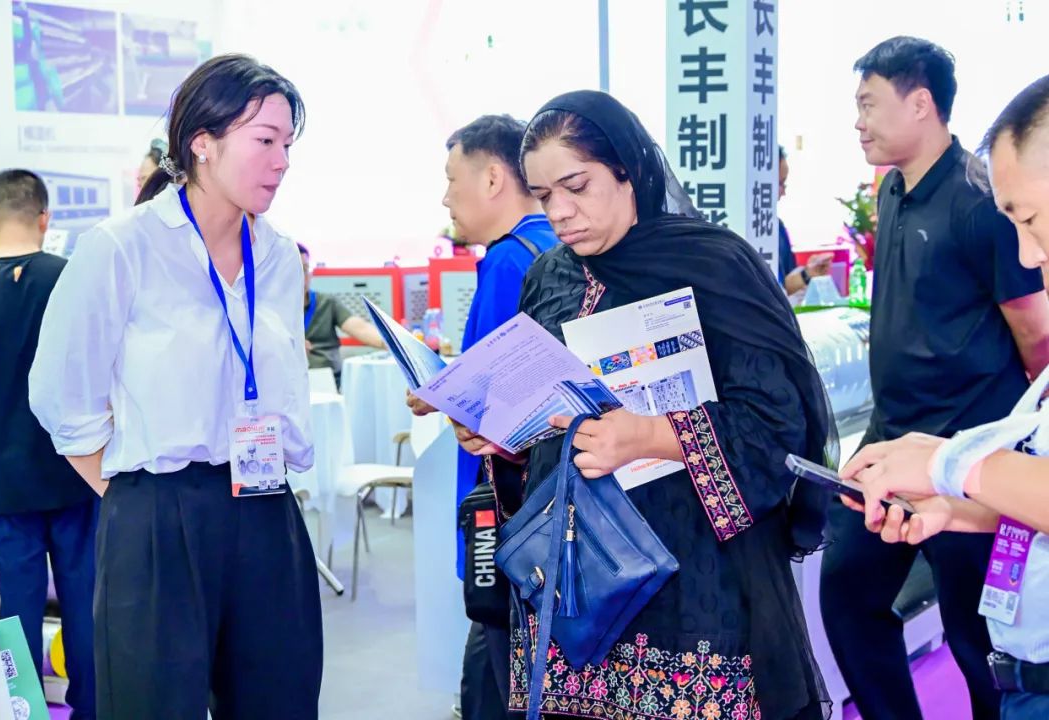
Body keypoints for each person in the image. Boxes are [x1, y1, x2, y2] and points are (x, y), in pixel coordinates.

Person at [439, 90, 834, 720]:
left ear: (627, 170)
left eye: (577, 187)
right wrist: (501, 433)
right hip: (577, 582)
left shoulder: (714, 266)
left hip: (695, 592)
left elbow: (777, 426)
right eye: (544, 196)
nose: (561, 212)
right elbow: (546, 419)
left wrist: (649, 437)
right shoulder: (550, 278)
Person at [27, 55, 321, 720]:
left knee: (280, 698)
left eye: (287, 145)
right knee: (154, 703)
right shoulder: (122, 247)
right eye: (265, 140)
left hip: (265, 502)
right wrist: (134, 498)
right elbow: (61, 395)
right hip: (158, 509)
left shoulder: (277, 255)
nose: (281, 162)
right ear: (203, 144)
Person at [820, 37, 1049, 720]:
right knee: (850, 593)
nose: (1029, 253)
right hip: (914, 445)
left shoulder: (975, 200)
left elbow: (1033, 333)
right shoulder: (893, 193)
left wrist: (961, 463)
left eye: (1032, 221)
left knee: (975, 636)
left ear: (920, 103)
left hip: (972, 436)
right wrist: (953, 493)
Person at [408, 113, 557, 720]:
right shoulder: (552, 247)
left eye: (452, 179)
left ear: (493, 178)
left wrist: (444, 395)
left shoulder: (508, 260)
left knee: (496, 672)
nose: (446, 197)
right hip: (549, 504)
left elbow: (494, 403)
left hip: (506, 505)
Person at [0, 170, 97, 719]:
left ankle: (17, 713)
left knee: (16, 610)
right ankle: (94, 710)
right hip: (77, 473)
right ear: (45, 219)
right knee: (86, 604)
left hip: (1, 480)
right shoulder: (73, 281)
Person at [297, 243, 386, 388]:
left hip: (329, 379)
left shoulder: (326, 302)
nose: (302, 276)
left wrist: (390, 343)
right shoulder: (273, 309)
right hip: (291, 381)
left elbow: (359, 328)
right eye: (295, 270)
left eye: (305, 269)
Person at [776, 146, 833, 297]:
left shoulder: (777, 228)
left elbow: (784, 286)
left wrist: (808, 273)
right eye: (780, 183)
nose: (783, 192)